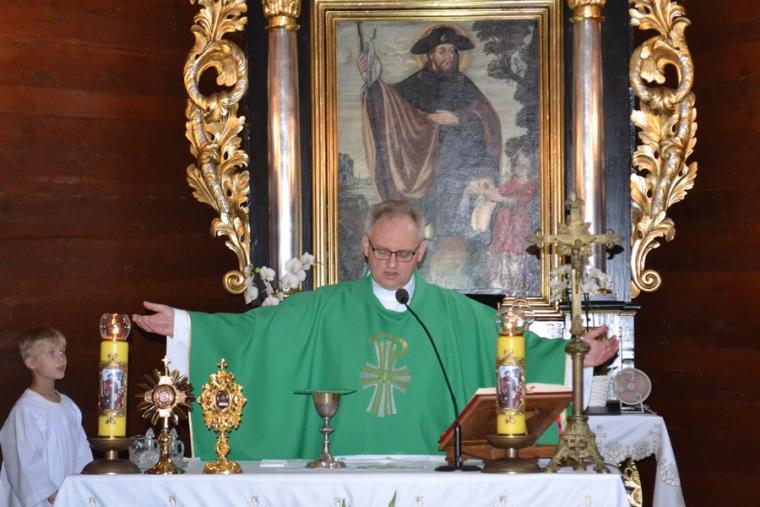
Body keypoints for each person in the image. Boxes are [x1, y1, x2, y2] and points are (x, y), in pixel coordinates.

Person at [133, 200, 618, 460]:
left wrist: (576, 356)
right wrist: (186, 323)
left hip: (432, 468)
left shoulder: (454, 313)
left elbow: (515, 349)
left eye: (404, 254)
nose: (391, 263)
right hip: (341, 470)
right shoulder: (325, 307)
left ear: (421, 253)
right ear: (365, 246)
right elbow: (258, 333)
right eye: (382, 251)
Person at [359, 25, 502, 285]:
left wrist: (458, 118)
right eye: (442, 50)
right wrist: (371, 81)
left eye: (453, 51)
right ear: (430, 55)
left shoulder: (464, 85)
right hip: (425, 172)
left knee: (461, 224)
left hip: (459, 170)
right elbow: (390, 103)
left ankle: (465, 276)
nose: (449, 56)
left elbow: (488, 121)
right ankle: (423, 277)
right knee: (426, 226)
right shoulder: (417, 83)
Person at [0, 328, 92, 507]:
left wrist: (82, 484)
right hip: (42, 499)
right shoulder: (25, 410)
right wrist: (49, 494)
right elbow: (22, 459)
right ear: (31, 362)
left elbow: (81, 450)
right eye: (52, 353)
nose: (61, 358)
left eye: (62, 351)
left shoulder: (69, 406)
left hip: (67, 495)